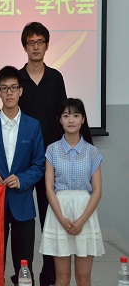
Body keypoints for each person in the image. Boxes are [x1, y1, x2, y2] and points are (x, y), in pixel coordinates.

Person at [0, 66, 45, 286]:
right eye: (4, 88)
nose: (9, 93)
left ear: (20, 91)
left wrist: (22, 179)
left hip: (23, 202)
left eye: (13, 88)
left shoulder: (33, 125)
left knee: (24, 265)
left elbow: (39, 164)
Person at [18, 21, 67, 286]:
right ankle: (23, 275)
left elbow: (63, 117)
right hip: (23, 163)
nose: (35, 47)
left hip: (51, 161)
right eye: (31, 42)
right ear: (24, 46)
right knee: (23, 223)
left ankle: (49, 276)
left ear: (47, 45)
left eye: (40, 42)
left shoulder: (55, 78)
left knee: (50, 220)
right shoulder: (17, 79)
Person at [39, 98, 104, 286]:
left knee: (83, 278)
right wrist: (61, 218)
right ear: (60, 119)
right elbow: (49, 188)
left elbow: (97, 191)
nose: (71, 120)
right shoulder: (52, 150)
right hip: (59, 212)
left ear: (83, 119)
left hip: (85, 213)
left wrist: (82, 220)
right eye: (66, 116)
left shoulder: (92, 152)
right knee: (62, 278)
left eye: (76, 115)